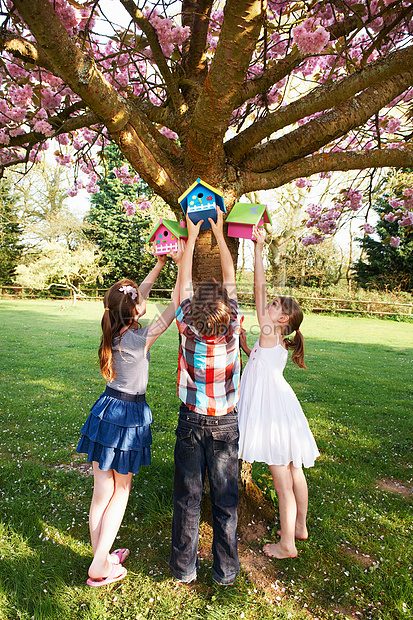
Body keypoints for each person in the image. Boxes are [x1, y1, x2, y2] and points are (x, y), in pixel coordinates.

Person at [76, 250, 183, 587]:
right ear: (136, 309)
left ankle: (102, 557)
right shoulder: (140, 339)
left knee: (100, 492)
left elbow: (138, 295)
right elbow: (177, 302)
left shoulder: (117, 328)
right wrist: (182, 267)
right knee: (120, 491)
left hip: (105, 410)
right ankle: (99, 567)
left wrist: (160, 264)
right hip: (128, 416)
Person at [168, 208, 243, 586]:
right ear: (227, 310)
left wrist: (193, 237)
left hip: (191, 419)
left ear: (195, 307)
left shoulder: (186, 325)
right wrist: (218, 228)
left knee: (188, 495)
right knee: (226, 499)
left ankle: (184, 568)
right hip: (226, 422)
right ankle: (226, 571)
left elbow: (183, 281)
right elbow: (229, 277)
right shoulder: (233, 327)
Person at [238, 227, 319, 560]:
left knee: (281, 478)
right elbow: (258, 362)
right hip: (283, 408)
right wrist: (245, 345)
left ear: (281, 318)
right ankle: (300, 526)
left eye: (272, 307)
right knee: (293, 469)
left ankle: (287, 545)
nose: (266, 306)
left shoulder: (271, 331)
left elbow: (259, 290)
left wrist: (257, 250)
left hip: (271, 412)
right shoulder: (275, 339)